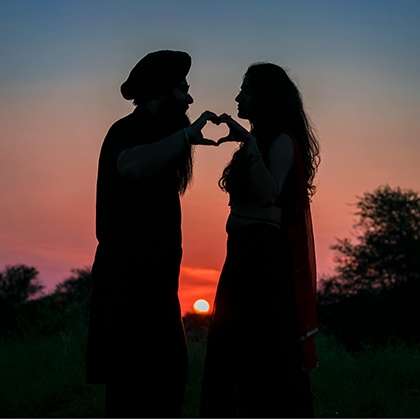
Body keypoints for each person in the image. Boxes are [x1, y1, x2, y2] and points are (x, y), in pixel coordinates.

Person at [86, 50, 217, 418]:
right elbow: (131, 165)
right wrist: (186, 136)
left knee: (165, 389)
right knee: (132, 393)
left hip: (157, 289)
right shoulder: (127, 131)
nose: (190, 99)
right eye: (183, 89)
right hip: (127, 290)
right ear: (162, 91)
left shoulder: (161, 137)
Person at [201, 63, 321, 417]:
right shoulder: (258, 142)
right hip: (241, 255)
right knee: (233, 345)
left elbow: (270, 193)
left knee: (260, 348)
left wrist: (249, 142)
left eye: (246, 90)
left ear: (265, 97)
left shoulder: (280, 141)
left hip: (262, 261)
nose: (238, 97)